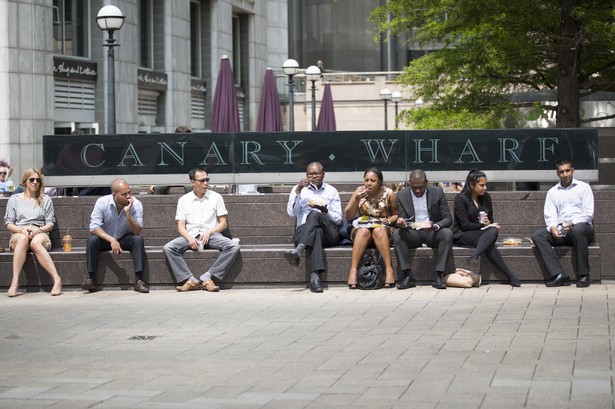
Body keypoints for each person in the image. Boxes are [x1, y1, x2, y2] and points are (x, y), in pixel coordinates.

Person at [163, 167, 240, 292]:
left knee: (233, 247)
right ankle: (190, 279)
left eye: (207, 180)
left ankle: (208, 277)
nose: (206, 183)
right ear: (192, 182)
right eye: (201, 181)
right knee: (169, 248)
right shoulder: (184, 200)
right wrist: (189, 237)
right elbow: (181, 227)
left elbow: (223, 224)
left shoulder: (216, 197)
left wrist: (209, 232)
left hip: (212, 235)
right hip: (191, 235)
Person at [531, 159, 595, 287]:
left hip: (582, 228)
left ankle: (583, 275)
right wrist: (553, 227)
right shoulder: (552, 192)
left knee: (578, 230)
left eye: (567, 171)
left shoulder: (584, 188)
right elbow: (549, 215)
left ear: (572, 171)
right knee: (538, 235)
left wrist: (573, 223)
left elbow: (588, 213)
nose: (565, 174)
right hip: (563, 231)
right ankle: (559, 274)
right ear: (557, 174)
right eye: (562, 172)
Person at [452, 169, 520, 287]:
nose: (485, 188)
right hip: (463, 234)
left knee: (493, 231)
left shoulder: (486, 198)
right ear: (471, 185)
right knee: (489, 243)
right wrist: (484, 225)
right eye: (482, 185)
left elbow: (491, 221)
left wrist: (489, 223)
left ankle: (474, 255)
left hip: (482, 235)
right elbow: (464, 225)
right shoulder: (460, 199)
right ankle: (510, 276)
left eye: (486, 184)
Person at [82, 179, 148, 293]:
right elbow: (93, 227)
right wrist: (111, 240)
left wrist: (128, 213)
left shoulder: (136, 204)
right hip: (106, 238)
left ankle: (139, 280)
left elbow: (137, 231)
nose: (128, 196)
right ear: (114, 195)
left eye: (130, 192)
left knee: (138, 239)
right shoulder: (102, 202)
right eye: (124, 194)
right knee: (92, 240)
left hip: (124, 238)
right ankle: (91, 279)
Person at [4, 168, 62, 297]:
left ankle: (56, 279)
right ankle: (15, 281)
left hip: (40, 231)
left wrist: (38, 230)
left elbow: (50, 224)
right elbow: (9, 223)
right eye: (32, 180)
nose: (35, 182)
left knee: (35, 243)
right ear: (25, 182)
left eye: (38, 180)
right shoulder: (14, 199)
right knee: (23, 239)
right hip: (19, 232)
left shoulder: (45, 199)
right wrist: (22, 230)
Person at [285, 162, 342, 293]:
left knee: (315, 214)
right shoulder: (298, 189)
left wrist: (324, 211)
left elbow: (338, 220)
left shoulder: (331, 191)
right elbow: (291, 213)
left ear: (323, 174)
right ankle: (315, 278)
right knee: (315, 232)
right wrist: (298, 192)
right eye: (310, 174)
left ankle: (299, 250)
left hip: (329, 233)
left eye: (317, 173)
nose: (313, 176)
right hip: (304, 231)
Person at [393, 169, 454, 289]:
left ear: (426, 182)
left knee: (447, 234)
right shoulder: (401, 195)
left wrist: (434, 226)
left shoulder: (437, 192)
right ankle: (407, 275)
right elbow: (403, 219)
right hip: (413, 233)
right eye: (414, 187)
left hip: (432, 232)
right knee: (397, 234)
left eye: (421, 187)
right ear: (409, 183)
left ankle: (438, 275)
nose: (417, 190)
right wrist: (402, 224)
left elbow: (448, 219)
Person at [344, 167, 398, 289]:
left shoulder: (389, 193)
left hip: (382, 229)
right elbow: (348, 216)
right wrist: (356, 199)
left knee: (379, 230)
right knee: (363, 232)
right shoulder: (359, 192)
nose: (368, 183)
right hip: (361, 229)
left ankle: (389, 270)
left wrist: (389, 220)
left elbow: (395, 215)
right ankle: (353, 271)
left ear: (379, 182)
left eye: (372, 180)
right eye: (366, 180)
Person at [150, 126, 193, 195]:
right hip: (169, 178)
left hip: (188, 178)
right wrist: (155, 182)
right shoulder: (167, 149)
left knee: (192, 188)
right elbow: (158, 168)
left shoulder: (195, 150)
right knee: (157, 188)